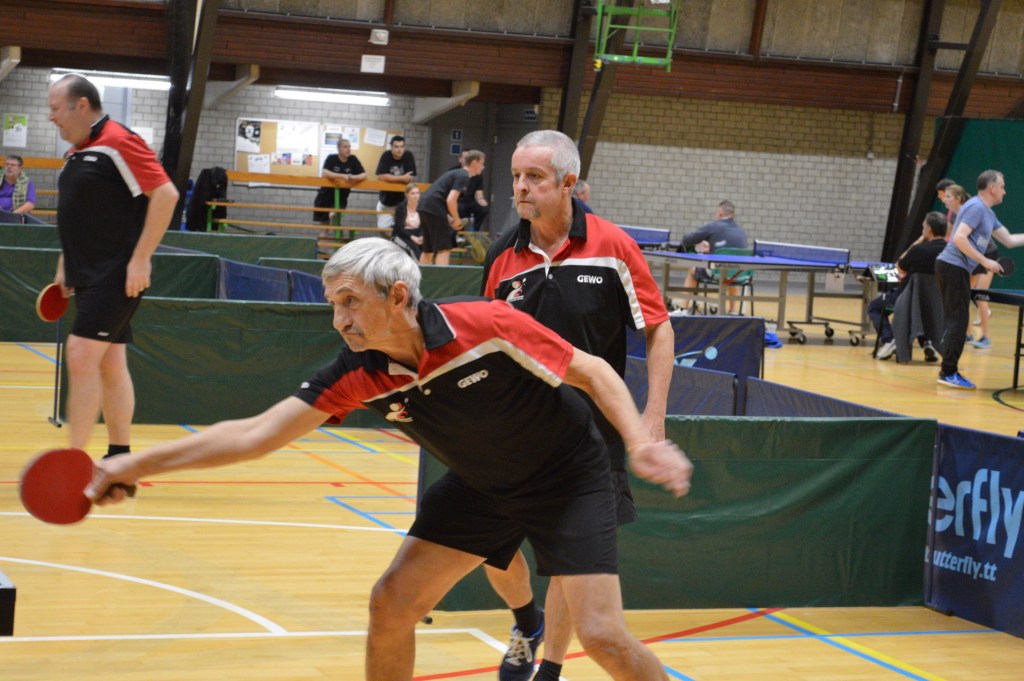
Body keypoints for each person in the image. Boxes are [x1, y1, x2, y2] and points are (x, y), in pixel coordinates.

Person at [85, 237, 694, 681]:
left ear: (398, 295)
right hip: (482, 487)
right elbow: (254, 434)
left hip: (568, 478)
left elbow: (592, 371)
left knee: (603, 637)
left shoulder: (484, 324)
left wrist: (641, 442)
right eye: (333, 303)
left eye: (350, 301)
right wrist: (130, 464)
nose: (339, 320)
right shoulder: (358, 373)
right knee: (392, 602)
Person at [482, 130, 674, 681]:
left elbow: (658, 328)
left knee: (570, 562)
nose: (521, 187)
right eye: (516, 176)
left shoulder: (613, 247)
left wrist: (653, 416)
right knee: (491, 547)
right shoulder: (502, 255)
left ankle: (550, 668)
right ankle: (527, 620)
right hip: (516, 431)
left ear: (568, 183)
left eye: (534, 177)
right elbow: (486, 337)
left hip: (590, 436)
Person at [47, 74, 179, 458]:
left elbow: (166, 195)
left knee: (80, 354)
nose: (51, 116)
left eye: (55, 108)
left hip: (117, 274)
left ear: (81, 106)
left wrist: (141, 259)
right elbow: (79, 216)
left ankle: (73, 462)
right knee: (110, 363)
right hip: (87, 275)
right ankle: (119, 457)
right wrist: (65, 263)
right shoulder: (76, 153)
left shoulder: (119, 141)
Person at [935, 170, 1024, 390]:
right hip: (952, 266)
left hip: (956, 268)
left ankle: (948, 370)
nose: (1004, 191)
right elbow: (959, 238)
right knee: (958, 320)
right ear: (992, 188)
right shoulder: (975, 207)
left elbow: (1009, 240)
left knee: (958, 319)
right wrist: (984, 260)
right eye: (1002, 186)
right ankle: (948, 372)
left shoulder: (988, 214)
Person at [872, 211, 947, 361]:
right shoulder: (952, 251)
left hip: (906, 298)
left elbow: (898, 269)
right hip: (938, 303)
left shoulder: (918, 250)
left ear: (929, 230)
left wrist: (917, 242)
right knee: (923, 310)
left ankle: (890, 340)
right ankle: (927, 342)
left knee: (874, 307)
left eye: (923, 227)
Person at [942, 184, 995, 348]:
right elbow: (950, 237)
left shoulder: (971, 210)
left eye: (948, 196)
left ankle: (986, 337)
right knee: (966, 295)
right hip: (970, 255)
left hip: (987, 254)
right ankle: (967, 334)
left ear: (958, 198)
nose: (944, 199)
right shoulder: (953, 214)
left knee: (979, 296)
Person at [676, 200, 749, 313]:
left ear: (719, 214)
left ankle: (682, 308)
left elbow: (686, 240)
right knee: (732, 272)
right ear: (733, 215)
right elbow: (730, 251)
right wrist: (712, 249)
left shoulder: (713, 227)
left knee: (693, 271)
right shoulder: (741, 231)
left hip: (717, 272)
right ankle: (733, 311)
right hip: (740, 275)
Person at [417, 149, 485, 266]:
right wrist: (457, 219)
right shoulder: (463, 175)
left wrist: (450, 219)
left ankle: (420, 277)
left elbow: (441, 199)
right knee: (444, 249)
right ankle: (442, 278)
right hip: (433, 207)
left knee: (428, 249)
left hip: (425, 206)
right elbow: (450, 200)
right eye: (482, 163)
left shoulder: (457, 173)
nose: (483, 167)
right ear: (474, 162)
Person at [313, 138, 366, 232]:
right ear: (338, 148)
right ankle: (324, 241)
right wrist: (342, 176)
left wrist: (354, 177)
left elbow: (364, 175)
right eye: (345, 147)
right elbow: (325, 172)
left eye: (349, 147)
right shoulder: (331, 158)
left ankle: (337, 239)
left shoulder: (353, 159)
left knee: (336, 223)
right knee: (324, 228)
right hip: (325, 196)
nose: (348, 149)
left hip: (341, 197)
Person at [375, 135, 417, 229]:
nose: (399, 149)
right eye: (396, 146)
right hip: (386, 202)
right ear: (391, 147)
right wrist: (402, 178)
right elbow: (381, 176)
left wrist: (389, 178)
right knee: (383, 229)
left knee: (403, 229)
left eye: (402, 146)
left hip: (402, 202)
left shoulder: (408, 155)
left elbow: (409, 178)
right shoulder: (386, 155)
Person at [391, 184, 424, 260]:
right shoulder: (401, 207)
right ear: (406, 195)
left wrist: (421, 236)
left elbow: (424, 225)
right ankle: (419, 266)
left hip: (417, 234)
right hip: (403, 235)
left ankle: (428, 266)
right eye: (412, 193)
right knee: (413, 249)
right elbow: (399, 228)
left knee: (427, 247)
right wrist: (412, 237)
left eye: (417, 193)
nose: (415, 196)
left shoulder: (422, 207)